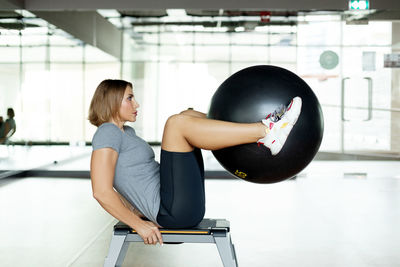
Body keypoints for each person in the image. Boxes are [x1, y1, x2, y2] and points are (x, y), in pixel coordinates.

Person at [89, 79, 301, 246]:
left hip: (179, 206)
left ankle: (255, 125)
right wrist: (139, 225)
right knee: (176, 124)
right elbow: (102, 190)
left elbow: (126, 180)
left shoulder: (125, 132)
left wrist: (138, 211)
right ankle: (265, 131)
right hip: (173, 211)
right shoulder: (107, 132)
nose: (136, 104)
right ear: (112, 101)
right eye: (130, 98)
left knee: (186, 115)